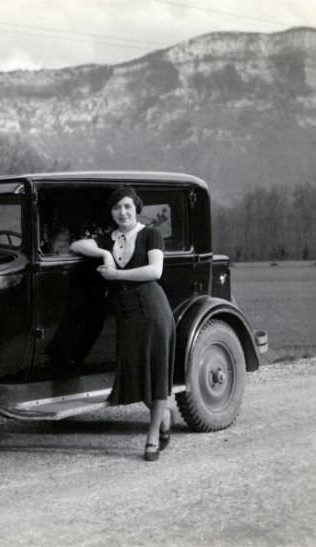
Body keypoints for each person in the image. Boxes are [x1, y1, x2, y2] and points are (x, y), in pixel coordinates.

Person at [70, 186, 175, 461]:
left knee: (157, 373)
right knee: (135, 374)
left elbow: (156, 271)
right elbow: (76, 245)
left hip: (153, 311)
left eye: (127, 206)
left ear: (136, 207)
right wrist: (104, 254)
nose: (123, 212)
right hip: (127, 316)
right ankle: (162, 414)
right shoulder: (110, 239)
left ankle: (152, 437)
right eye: (117, 208)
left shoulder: (151, 234)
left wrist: (116, 275)